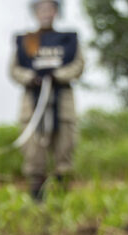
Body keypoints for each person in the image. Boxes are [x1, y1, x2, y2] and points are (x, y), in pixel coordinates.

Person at [10, 0, 84, 201]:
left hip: (62, 100)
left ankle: (61, 198)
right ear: (35, 12)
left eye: (50, 8)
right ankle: (37, 199)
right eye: (41, 8)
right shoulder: (29, 39)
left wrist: (59, 74)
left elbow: (79, 65)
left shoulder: (67, 39)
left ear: (56, 12)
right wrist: (30, 77)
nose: (46, 13)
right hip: (33, 101)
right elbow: (14, 69)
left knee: (65, 147)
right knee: (34, 151)